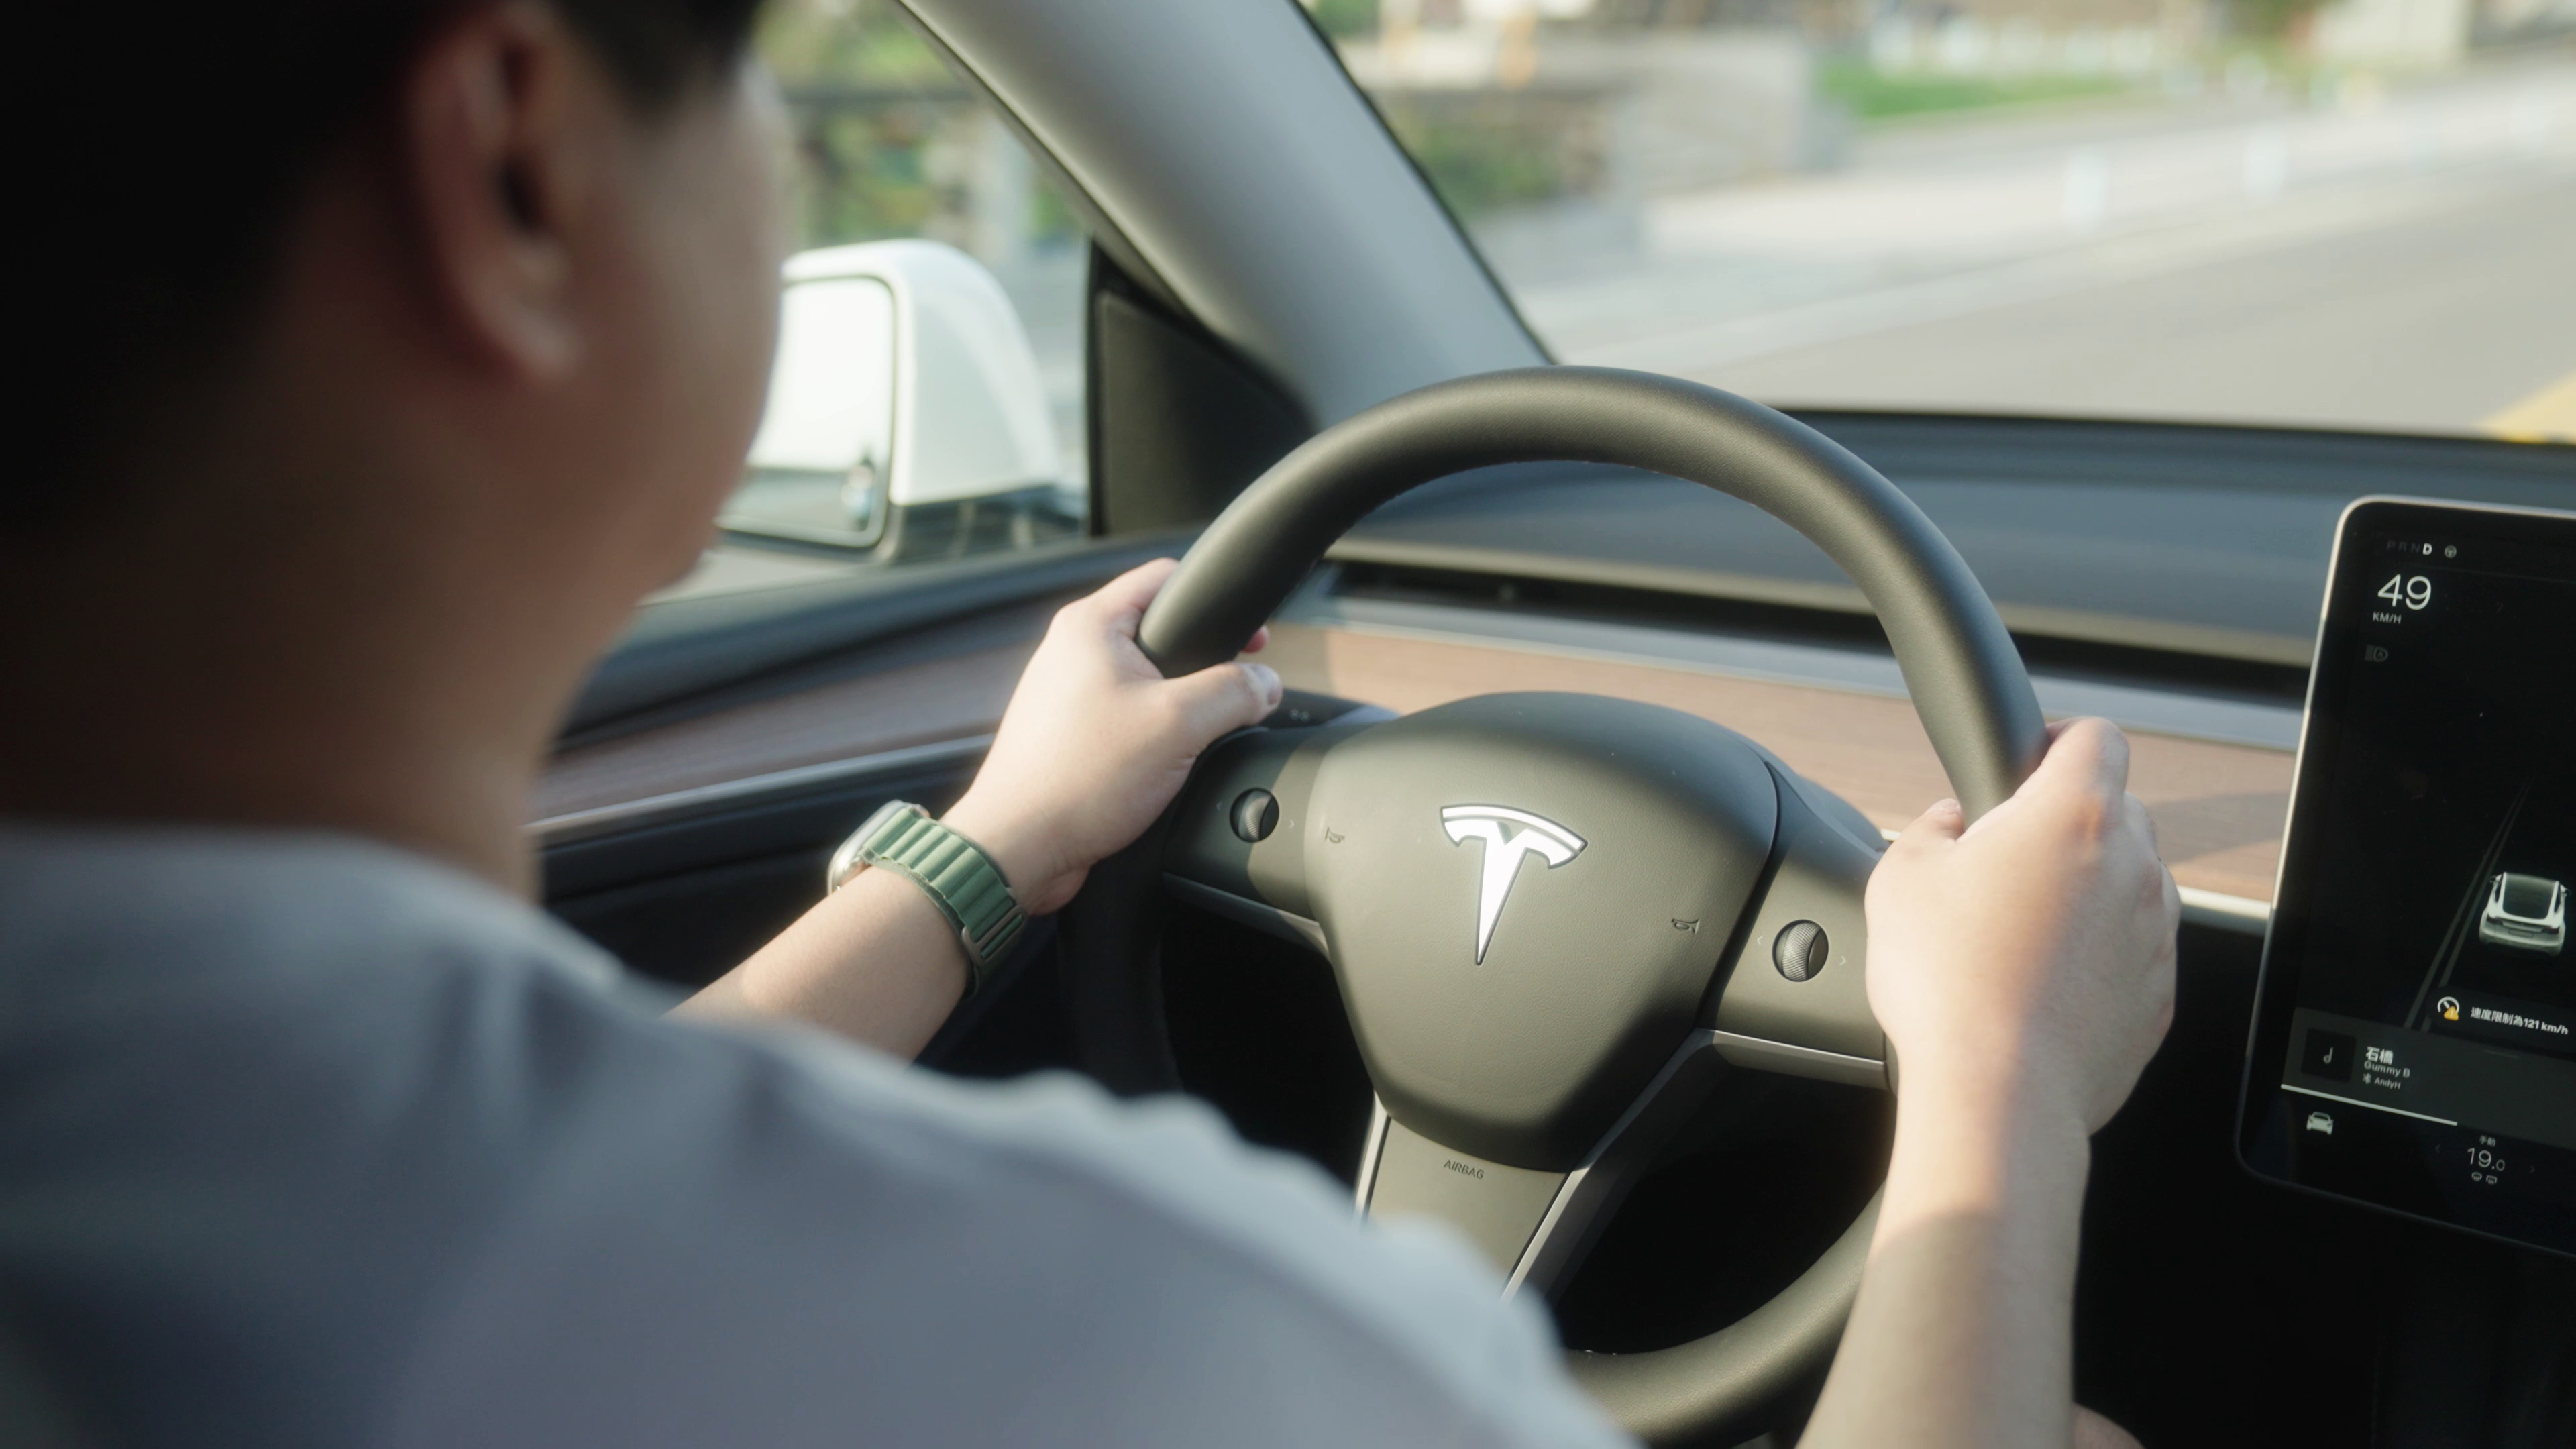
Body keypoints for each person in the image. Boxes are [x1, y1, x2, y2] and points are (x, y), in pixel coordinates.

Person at [0, 2, 2177, 1445]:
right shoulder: (1149, 1339)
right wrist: (2000, 1086)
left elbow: (503, 1167)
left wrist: (1002, 842)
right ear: (515, 177)